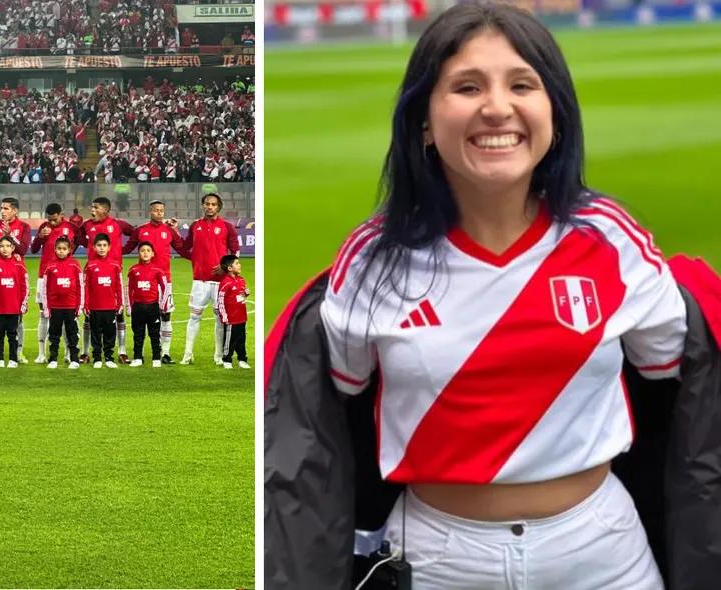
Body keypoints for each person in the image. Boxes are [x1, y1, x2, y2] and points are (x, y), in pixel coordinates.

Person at [275, 3, 689, 588]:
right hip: (437, 558)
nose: (497, 107)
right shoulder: (372, 261)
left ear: (556, 113)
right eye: (467, 86)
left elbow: (668, 372)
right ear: (423, 120)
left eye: (523, 84)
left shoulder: (614, 240)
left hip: (602, 552)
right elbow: (339, 399)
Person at [178, 193, 240, 365]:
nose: (210, 207)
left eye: (213, 204)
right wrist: (175, 232)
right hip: (200, 280)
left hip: (220, 282)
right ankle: (188, 353)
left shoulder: (228, 227)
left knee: (220, 319)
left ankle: (219, 355)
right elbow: (184, 248)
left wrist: (224, 267)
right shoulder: (195, 226)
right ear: (203, 205)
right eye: (207, 204)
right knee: (194, 316)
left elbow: (235, 252)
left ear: (218, 207)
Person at [122, 200, 184, 363]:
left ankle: (165, 353)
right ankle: (139, 354)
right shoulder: (140, 230)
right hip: (143, 280)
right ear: (150, 212)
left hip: (164, 281)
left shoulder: (169, 230)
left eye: (162, 210)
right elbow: (127, 247)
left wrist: (176, 230)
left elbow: (182, 248)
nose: (159, 213)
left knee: (165, 316)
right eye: (156, 210)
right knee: (141, 318)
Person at [75, 197, 134, 364]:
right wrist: (86, 243)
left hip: (113, 273)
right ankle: (86, 352)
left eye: (95, 207)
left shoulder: (118, 224)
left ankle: (121, 351)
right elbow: (77, 236)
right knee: (89, 315)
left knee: (118, 314)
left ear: (105, 210)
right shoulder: (87, 225)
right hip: (92, 273)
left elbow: (135, 234)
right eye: (92, 207)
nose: (92, 210)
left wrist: (124, 250)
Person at [0, 198, 31, 364]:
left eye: (6, 208)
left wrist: (10, 235)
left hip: (15, 271)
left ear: (15, 211)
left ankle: (18, 353)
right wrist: (2, 240)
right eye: (1, 208)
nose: (2, 211)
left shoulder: (24, 227)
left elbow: (24, 249)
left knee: (18, 316)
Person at [31, 203, 78, 363]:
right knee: (44, 314)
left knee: (68, 316)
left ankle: (67, 353)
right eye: (49, 219)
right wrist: (40, 237)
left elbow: (78, 242)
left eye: (54, 219)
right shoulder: (44, 227)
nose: (51, 222)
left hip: (66, 275)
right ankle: (42, 353)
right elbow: (34, 249)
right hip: (45, 276)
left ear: (61, 214)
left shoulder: (72, 227)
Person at [38, 236, 83, 369]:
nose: (61, 251)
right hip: (55, 307)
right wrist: (46, 307)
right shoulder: (50, 266)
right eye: (59, 248)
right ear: (55, 250)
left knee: (72, 334)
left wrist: (79, 306)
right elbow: (45, 288)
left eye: (64, 249)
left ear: (69, 250)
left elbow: (80, 286)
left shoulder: (75, 265)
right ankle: (53, 358)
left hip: (71, 307)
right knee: (54, 334)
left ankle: (74, 358)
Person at [0, 235, 28, 368]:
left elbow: (24, 286)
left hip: (14, 307)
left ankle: (13, 359)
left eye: (8, 246)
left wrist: (23, 303)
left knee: (13, 335)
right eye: (2, 246)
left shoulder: (19, 265)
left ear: (13, 248)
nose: (5, 249)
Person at [126, 242, 171, 368]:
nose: (145, 253)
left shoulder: (157, 270)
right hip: (138, 307)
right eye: (142, 250)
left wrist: (162, 304)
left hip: (153, 307)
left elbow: (165, 287)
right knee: (138, 334)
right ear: (138, 253)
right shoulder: (134, 270)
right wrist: (129, 306)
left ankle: (156, 357)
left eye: (148, 250)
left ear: (152, 254)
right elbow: (128, 288)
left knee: (155, 333)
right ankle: (138, 357)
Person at [83, 233, 123, 369]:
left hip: (110, 306)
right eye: (99, 245)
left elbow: (119, 286)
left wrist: (120, 303)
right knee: (95, 334)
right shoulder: (90, 265)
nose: (102, 248)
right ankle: (97, 358)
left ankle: (109, 357)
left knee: (110, 333)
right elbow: (86, 287)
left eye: (104, 245)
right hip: (95, 307)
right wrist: (86, 304)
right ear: (94, 247)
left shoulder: (115, 266)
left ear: (109, 247)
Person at [216, 254, 249, 370]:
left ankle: (242, 359)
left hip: (242, 316)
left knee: (241, 339)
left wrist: (246, 292)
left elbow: (244, 292)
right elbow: (220, 300)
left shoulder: (241, 280)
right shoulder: (225, 283)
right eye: (237, 263)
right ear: (229, 268)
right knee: (230, 340)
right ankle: (227, 359)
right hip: (231, 318)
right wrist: (224, 316)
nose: (240, 265)